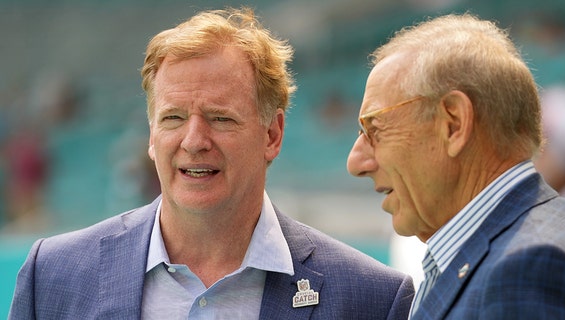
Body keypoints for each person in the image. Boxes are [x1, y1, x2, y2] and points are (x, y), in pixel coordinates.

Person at [9, 8, 414, 319]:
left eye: (220, 118)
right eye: (173, 118)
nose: (194, 141)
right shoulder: (53, 276)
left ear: (272, 135)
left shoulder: (373, 298)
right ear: (151, 135)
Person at [346, 13, 565, 319]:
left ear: (453, 124)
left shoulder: (525, 271)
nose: (356, 162)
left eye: (375, 129)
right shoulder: (521, 245)